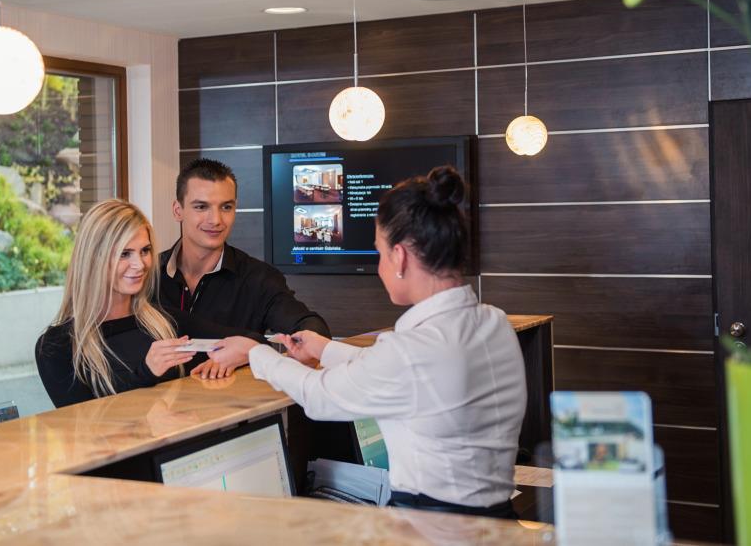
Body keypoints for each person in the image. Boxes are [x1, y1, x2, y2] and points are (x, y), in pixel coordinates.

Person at [212, 166, 528, 518]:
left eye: (379, 253)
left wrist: (254, 352)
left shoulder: (413, 351)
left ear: (400, 256)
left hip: (434, 529)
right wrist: (323, 348)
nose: (379, 268)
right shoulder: (494, 324)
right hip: (499, 523)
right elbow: (401, 372)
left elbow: (318, 395)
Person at [154, 158, 331, 379]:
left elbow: (310, 327)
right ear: (177, 210)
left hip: (229, 399)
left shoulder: (259, 279)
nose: (216, 220)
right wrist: (256, 343)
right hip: (152, 401)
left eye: (226, 207)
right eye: (201, 207)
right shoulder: (147, 275)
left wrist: (253, 351)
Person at [36, 199, 193, 407]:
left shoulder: (166, 322)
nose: (140, 265)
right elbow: (85, 422)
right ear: (94, 258)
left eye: (145, 251)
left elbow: (234, 342)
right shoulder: (57, 346)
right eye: (124, 254)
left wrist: (225, 360)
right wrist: (146, 372)